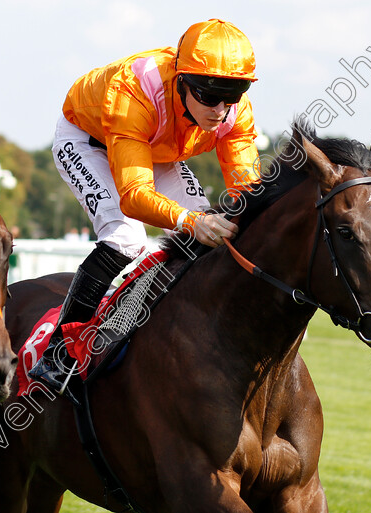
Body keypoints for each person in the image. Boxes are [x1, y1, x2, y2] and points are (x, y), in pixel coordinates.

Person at [29, 19, 261, 395]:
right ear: (182, 81)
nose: (220, 109)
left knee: (203, 244)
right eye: (208, 95)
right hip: (91, 140)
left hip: (156, 145)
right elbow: (134, 196)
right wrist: (191, 219)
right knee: (126, 238)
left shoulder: (235, 110)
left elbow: (245, 191)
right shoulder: (135, 88)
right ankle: (58, 353)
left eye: (232, 94)